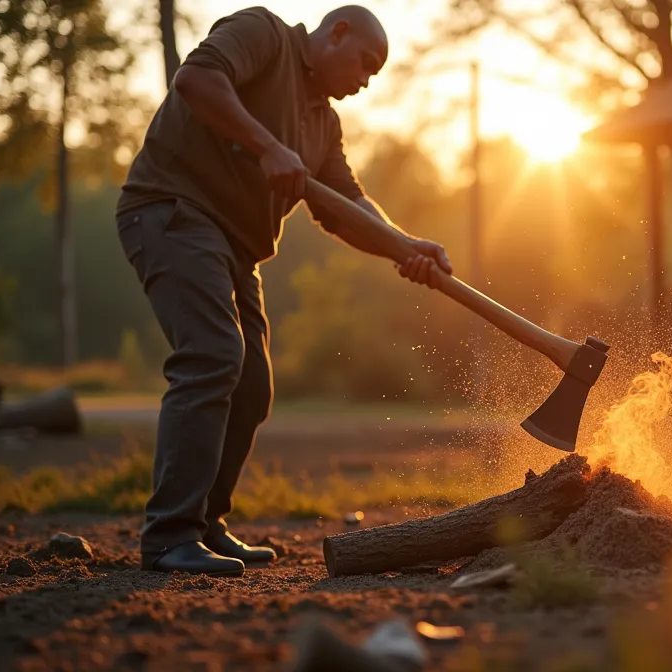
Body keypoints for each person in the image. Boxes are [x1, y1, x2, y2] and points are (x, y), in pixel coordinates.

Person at [115, 5, 449, 577]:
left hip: (236, 249)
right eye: (366, 64)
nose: (366, 80)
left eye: (375, 74)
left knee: (252, 387)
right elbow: (195, 79)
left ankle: (203, 524)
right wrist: (267, 144)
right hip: (172, 210)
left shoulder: (324, 123)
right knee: (214, 355)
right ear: (336, 32)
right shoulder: (264, 35)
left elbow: (346, 209)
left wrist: (406, 247)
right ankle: (168, 536)